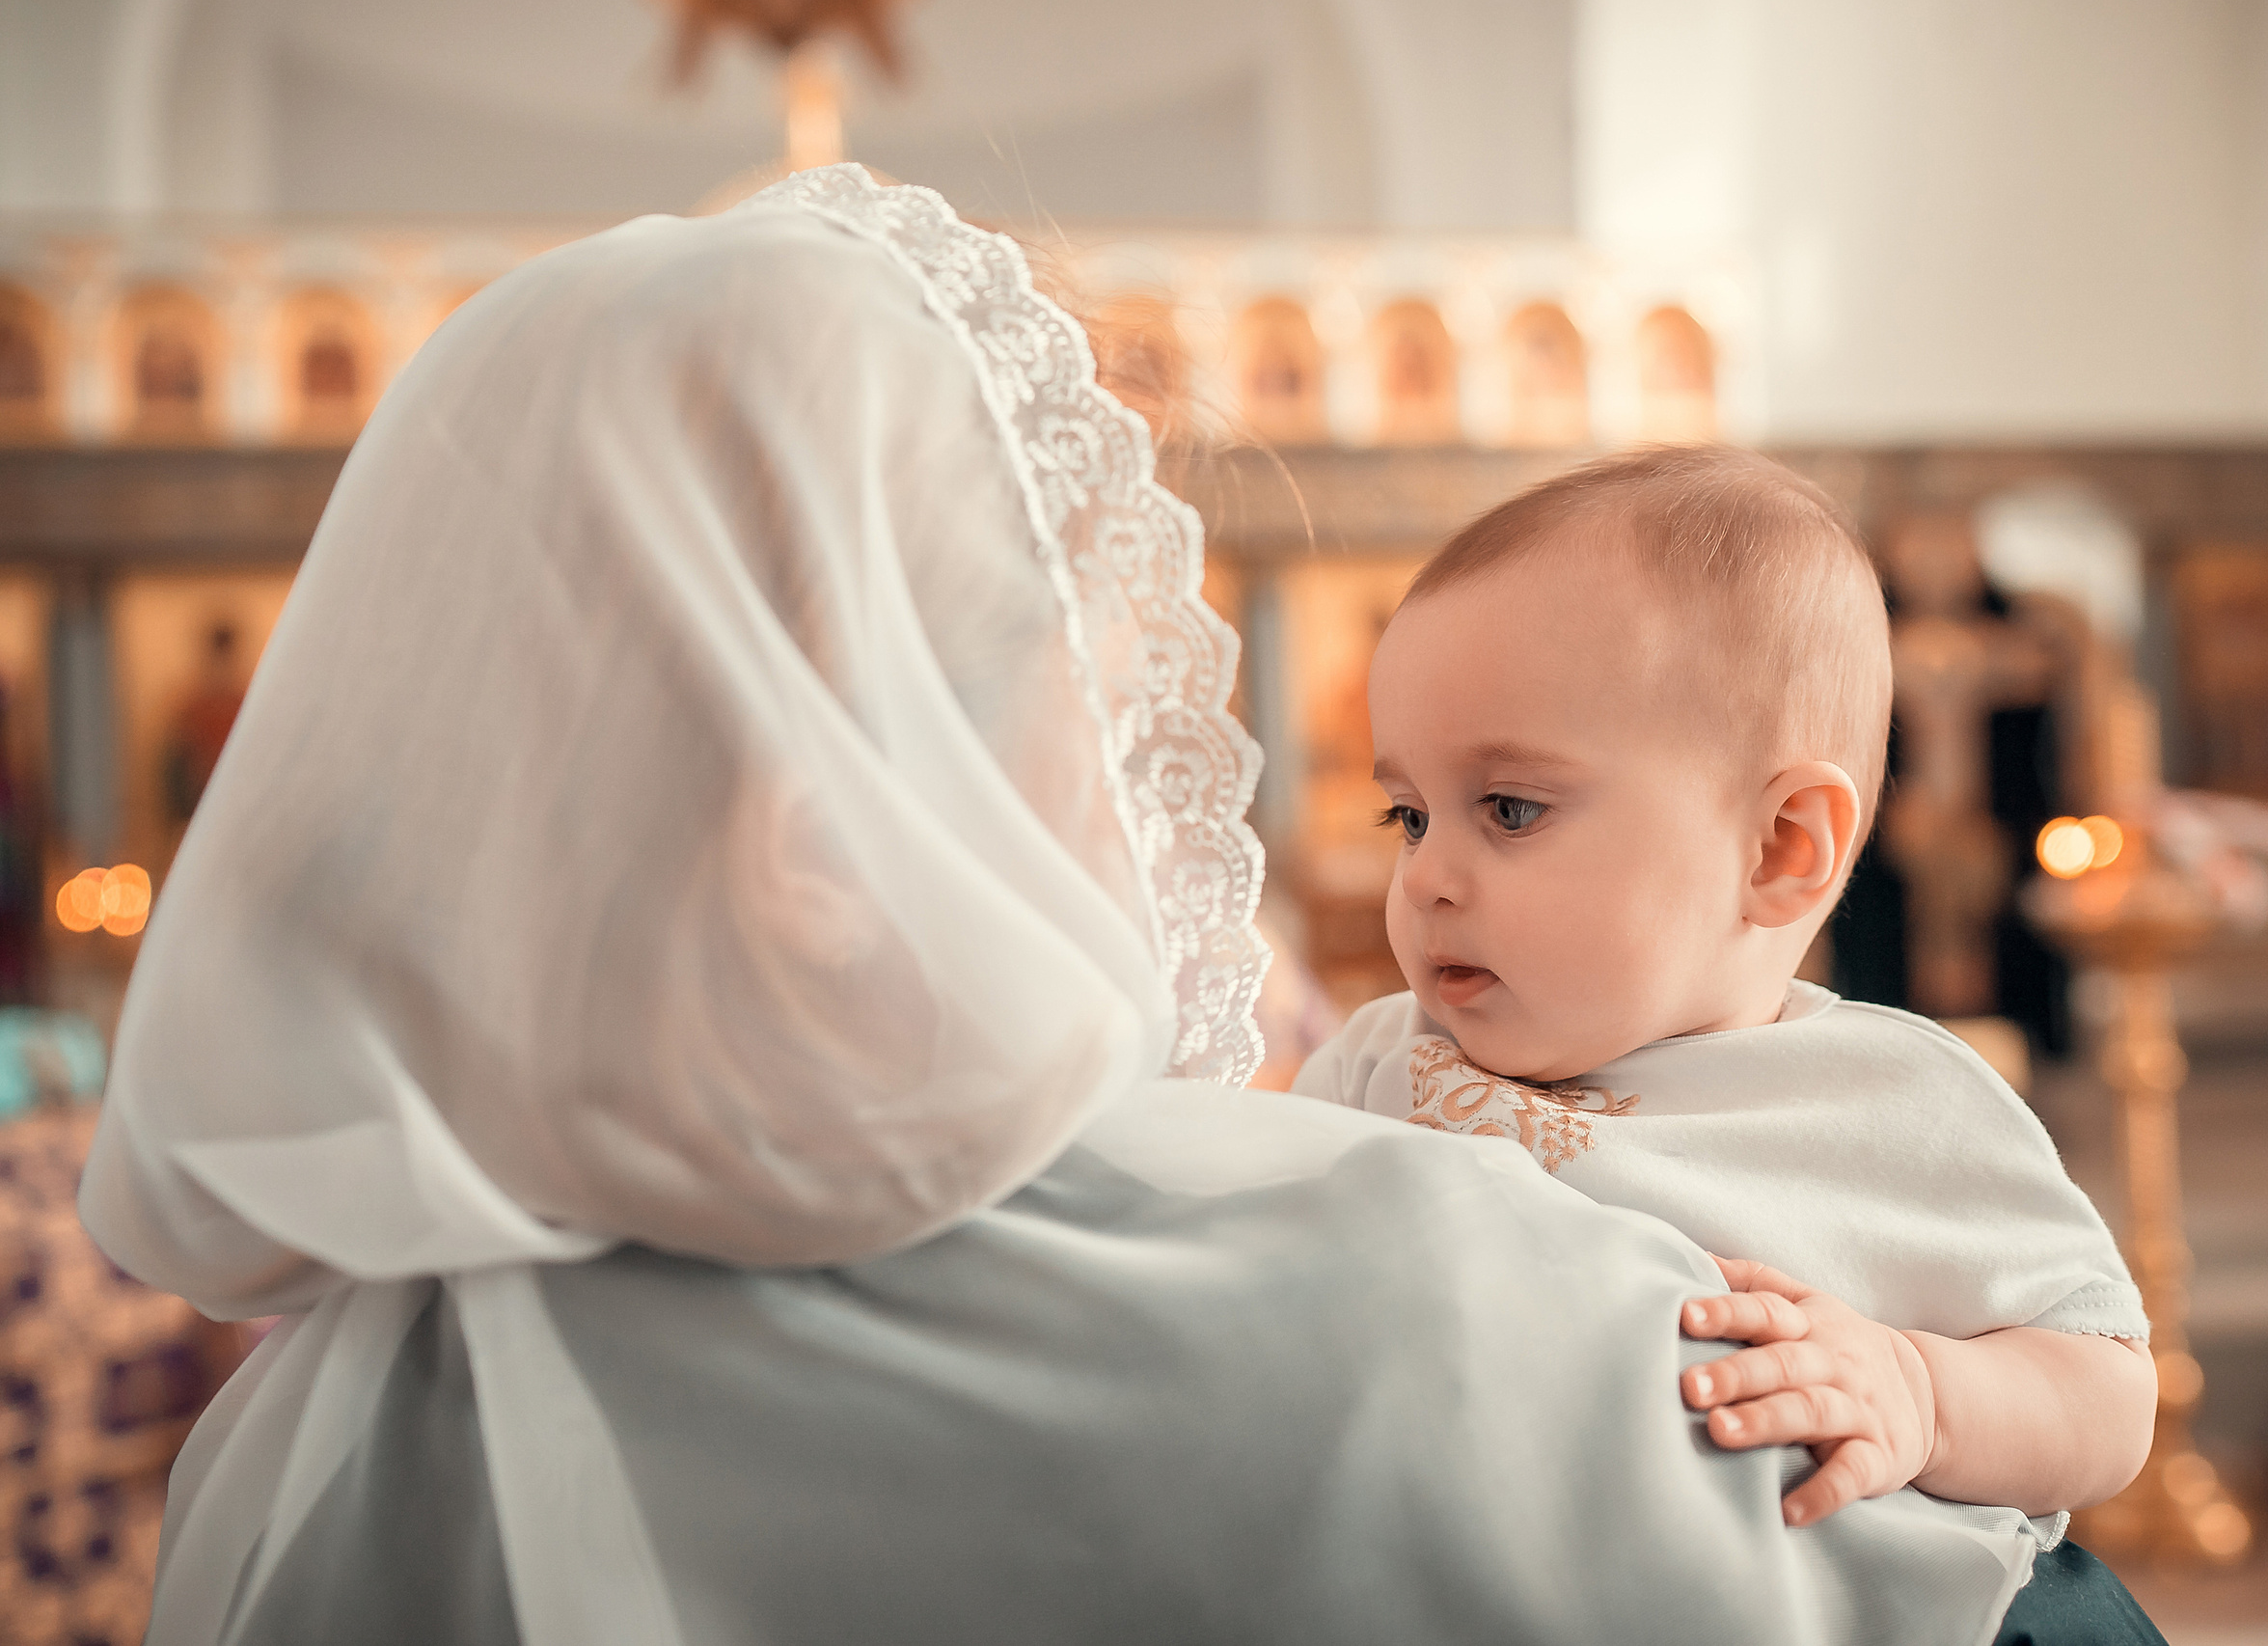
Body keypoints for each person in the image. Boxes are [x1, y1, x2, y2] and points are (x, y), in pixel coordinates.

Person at [84, 169, 2099, 1645]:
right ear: (824, 815)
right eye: (1100, 681)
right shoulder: (1390, 1303)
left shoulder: (315, 1436)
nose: (1149, 776)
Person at [1294, 447, 2161, 1572]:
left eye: (1508, 808)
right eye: (1407, 816)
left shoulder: (1896, 1101)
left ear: (1778, 848)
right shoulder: (1380, 1065)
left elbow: (2107, 1389)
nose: (1425, 879)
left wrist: (1925, 1393)